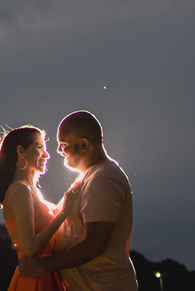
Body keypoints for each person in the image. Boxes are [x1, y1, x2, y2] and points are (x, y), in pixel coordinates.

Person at [19, 111, 137, 291]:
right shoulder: (88, 178)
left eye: (63, 144)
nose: (58, 151)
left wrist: (44, 265)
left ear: (83, 145)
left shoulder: (102, 180)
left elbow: (94, 244)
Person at [0, 125, 69, 291]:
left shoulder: (31, 190)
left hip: (47, 276)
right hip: (35, 281)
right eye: (40, 147)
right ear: (21, 151)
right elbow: (30, 247)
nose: (46, 155)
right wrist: (65, 213)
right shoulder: (20, 190)